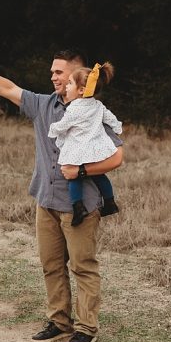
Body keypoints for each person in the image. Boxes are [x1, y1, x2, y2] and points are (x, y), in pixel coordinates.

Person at [0, 50, 123, 342]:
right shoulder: (44, 105)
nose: (53, 77)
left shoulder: (95, 111)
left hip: (80, 204)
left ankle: (86, 328)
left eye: (59, 72)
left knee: (83, 266)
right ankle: (59, 322)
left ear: (78, 76)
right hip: (46, 201)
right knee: (51, 264)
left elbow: (117, 157)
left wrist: (81, 170)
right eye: (53, 72)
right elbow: (6, 88)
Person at [48, 62, 122, 226]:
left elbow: (64, 125)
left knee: (73, 178)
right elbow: (111, 119)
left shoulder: (74, 108)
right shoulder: (97, 105)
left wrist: (53, 129)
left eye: (70, 84)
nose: (67, 87)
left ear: (81, 90)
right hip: (94, 149)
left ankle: (78, 207)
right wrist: (118, 127)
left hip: (77, 149)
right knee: (98, 175)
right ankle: (109, 202)